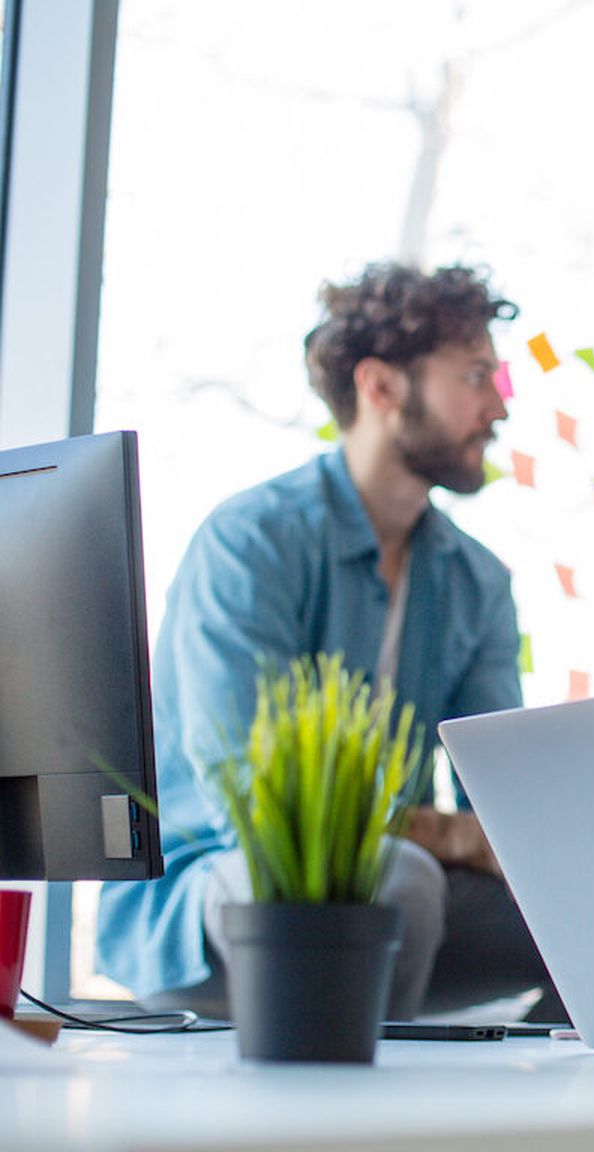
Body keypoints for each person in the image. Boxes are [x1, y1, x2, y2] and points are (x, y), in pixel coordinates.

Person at [97, 263, 563, 1023]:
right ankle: (363, 1114)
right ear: (381, 388)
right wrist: (452, 834)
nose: (499, 405)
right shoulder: (252, 541)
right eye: (477, 375)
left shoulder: (478, 580)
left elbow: (503, 807)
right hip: (219, 890)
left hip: (400, 898)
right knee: (398, 878)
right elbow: (258, 798)